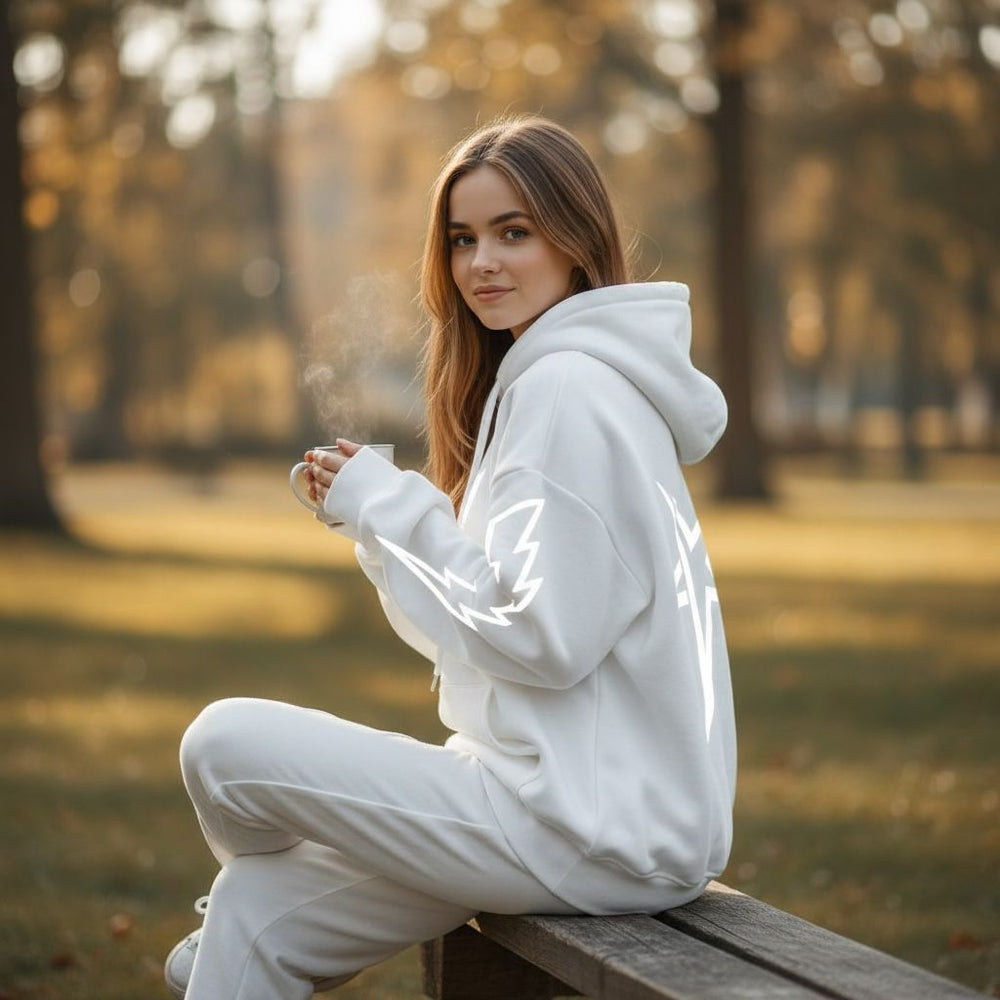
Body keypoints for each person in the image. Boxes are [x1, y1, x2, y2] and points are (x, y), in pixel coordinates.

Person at [165, 115, 736, 999]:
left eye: (515, 232)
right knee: (255, 908)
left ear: (577, 239)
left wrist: (391, 508)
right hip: (564, 808)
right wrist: (376, 524)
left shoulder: (569, 390)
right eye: (464, 239)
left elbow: (541, 637)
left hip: (583, 827)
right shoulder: (556, 382)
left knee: (221, 745)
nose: (483, 264)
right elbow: (479, 634)